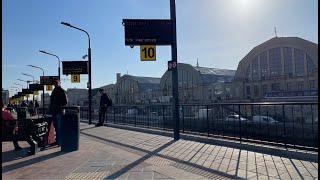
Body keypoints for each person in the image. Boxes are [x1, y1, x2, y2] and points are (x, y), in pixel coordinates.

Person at [49, 80, 68, 146]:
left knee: (59, 127)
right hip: (54, 111)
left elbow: (65, 102)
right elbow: (52, 101)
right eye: (54, 83)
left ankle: (60, 142)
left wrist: (58, 105)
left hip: (59, 111)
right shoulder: (54, 91)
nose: (55, 84)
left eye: (57, 83)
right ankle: (58, 141)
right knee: (56, 127)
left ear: (59, 83)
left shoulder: (62, 91)